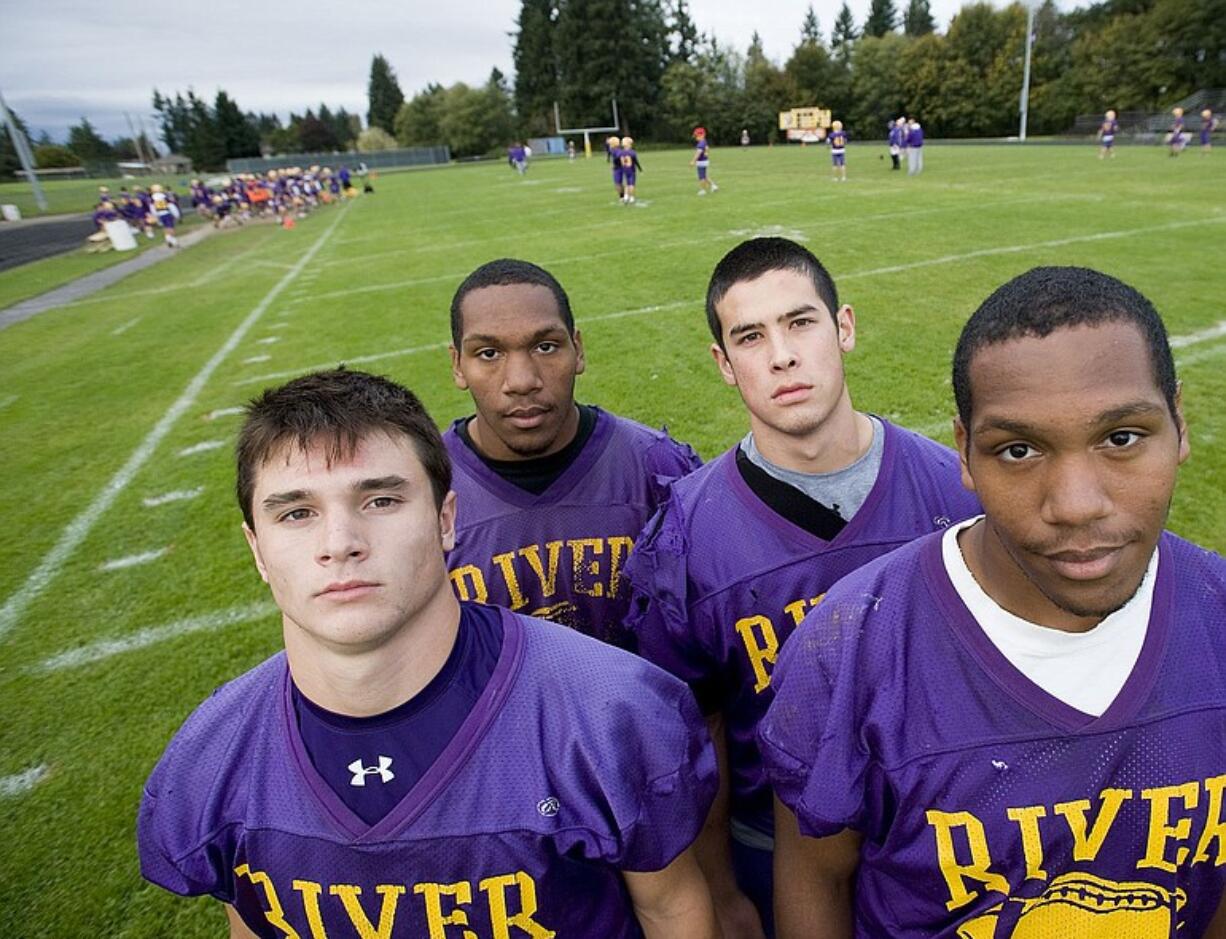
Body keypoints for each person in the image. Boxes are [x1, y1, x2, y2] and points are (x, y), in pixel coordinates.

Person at [138, 368, 722, 939]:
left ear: (446, 519)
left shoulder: (604, 710)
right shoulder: (214, 756)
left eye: (381, 501)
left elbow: (672, 911)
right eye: (296, 513)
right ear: (257, 548)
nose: (340, 543)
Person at [762, 266, 1226, 938]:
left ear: (1179, 424)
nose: (1074, 504)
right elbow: (815, 876)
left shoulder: (1215, 618)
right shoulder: (855, 644)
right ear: (965, 453)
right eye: (1018, 449)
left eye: (1121, 438)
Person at [624, 237, 981, 938]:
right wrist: (722, 888)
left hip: (940, 837)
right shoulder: (688, 535)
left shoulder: (955, 490)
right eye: (751, 336)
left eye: (800, 322)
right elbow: (698, 733)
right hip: (769, 842)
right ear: (724, 365)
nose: (782, 355)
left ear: (843, 326)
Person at [445, 259, 701, 648]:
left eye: (546, 347)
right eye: (488, 354)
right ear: (457, 365)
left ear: (577, 350)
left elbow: (709, 646)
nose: (522, 381)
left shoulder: (659, 469)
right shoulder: (424, 489)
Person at [148, 183, 179, 248]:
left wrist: (156, 216)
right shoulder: (164, 197)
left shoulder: (152, 199)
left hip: (159, 215)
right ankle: (174, 241)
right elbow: (171, 206)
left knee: (166, 227)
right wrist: (176, 214)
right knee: (170, 227)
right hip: (166, 213)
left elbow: (152, 209)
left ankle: (168, 239)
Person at [692, 126, 719, 196]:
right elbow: (707, 148)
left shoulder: (700, 144)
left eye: (697, 136)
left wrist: (693, 161)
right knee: (705, 176)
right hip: (705, 161)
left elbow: (698, 153)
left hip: (701, 162)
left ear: (702, 135)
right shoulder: (704, 142)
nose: (696, 138)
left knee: (701, 177)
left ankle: (702, 190)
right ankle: (714, 186)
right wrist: (706, 152)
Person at [619, 136, 642, 204]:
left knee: (626, 183)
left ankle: (626, 196)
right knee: (631, 184)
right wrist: (640, 169)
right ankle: (631, 197)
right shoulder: (632, 152)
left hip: (624, 170)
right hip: (631, 170)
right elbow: (635, 161)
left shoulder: (621, 152)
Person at [607, 134, 625, 201]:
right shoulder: (615, 150)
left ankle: (622, 196)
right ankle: (623, 195)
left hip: (618, 167)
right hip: (618, 167)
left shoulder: (615, 150)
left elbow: (620, 157)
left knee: (617, 183)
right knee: (620, 183)